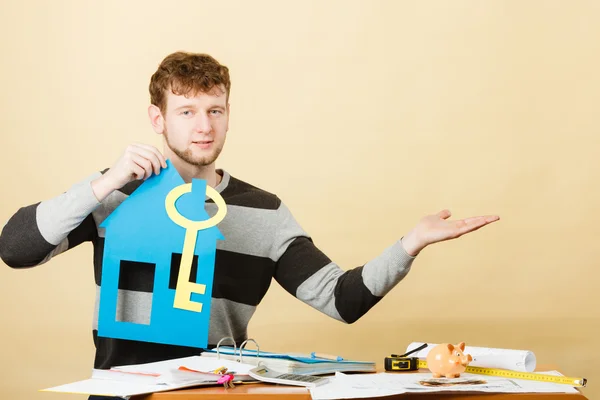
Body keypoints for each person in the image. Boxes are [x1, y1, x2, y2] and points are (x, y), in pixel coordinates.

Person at [0, 51, 498, 398]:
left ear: (229, 114)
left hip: (212, 395)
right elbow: (15, 248)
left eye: (215, 110)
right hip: (123, 391)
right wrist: (104, 182)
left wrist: (410, 243)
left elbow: (342, 300)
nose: (203, 126)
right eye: (188, 111)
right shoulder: (118, 194)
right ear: (158, 119)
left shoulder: (263, 210)